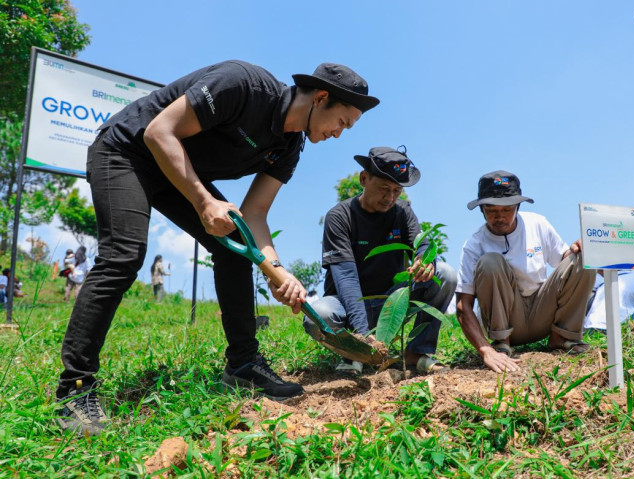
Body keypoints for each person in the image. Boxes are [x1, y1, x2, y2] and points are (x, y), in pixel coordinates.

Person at [55, 60, 379, 436]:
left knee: (234, 246)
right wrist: (203, 201)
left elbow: (254, 215)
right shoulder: (242, 85)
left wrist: (278, 273)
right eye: (343, 122)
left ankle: (243, 368)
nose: (340, 134)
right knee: (123, 255)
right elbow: (159, 133)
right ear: (321, 98)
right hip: (126, 150)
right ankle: (74, 389)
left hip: (174, 172)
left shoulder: (288, 147)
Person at [304, 147, 457, 375]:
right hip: (347, 305)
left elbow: (421, 242)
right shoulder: (339, 217)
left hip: (392, 302)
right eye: (384, 189)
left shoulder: (403, 212)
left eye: (397, 190)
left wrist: (424, 260)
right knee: (318, 316)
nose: (390, 198)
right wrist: (363, 334)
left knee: (444, 274)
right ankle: (353, 354)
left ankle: (417, 354)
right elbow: (346, 277)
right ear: (364, 179)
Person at [455, 171, 595, 373]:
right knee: (490, 262)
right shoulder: (474, 245)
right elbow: (463, 305)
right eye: (491, 210)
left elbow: (566, 261)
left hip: (542, 312)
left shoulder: (537, 224)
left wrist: (579, 249)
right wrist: (486, 350)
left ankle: (563, 337)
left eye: (507, 209)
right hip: (507, 319)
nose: (500, 217)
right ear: (482, 210)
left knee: (583, 258)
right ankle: (502, 343)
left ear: (518, 207)